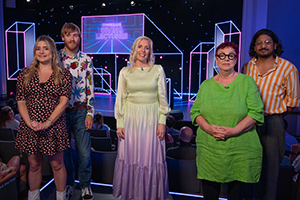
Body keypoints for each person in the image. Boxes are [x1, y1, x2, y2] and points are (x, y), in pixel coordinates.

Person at [190, 42, 264, 200]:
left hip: (240, 149)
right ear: (216, 59)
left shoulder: (247, 82)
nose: (226, 59)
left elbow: (256, 112)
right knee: (210, 195)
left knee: (236, 195)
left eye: (231, 55)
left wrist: (234, 131)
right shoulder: (206, 85)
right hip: (210, 149)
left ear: (236, 59)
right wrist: (209, 129)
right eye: (221, 55)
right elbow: (195, 112)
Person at [242, 29, 300, 200]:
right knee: (250, 165)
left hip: (273, 122)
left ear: (275, 45)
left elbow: (293, 101)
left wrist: (274, 116)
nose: (263, 45)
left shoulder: (288, 68)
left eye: (267, 42)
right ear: (254, 46)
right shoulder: (247, 66)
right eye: (259, 42)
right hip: (250, 122)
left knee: (271, 170)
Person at [113, 36, 171, 200]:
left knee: (150, 159)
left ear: (150, 51)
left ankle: (150, 195)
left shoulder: (157, 69)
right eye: (140, 46)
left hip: (151, 119)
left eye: (146, 47)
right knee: (131, 158)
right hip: (131, 119)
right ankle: (132, 194)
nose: (143, 50)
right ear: (134, 49)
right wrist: (120, 122)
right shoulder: (125, 72)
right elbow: (121, 99)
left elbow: (163, 98)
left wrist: (162, 121)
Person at [15, 35, 71, 200]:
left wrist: (47, 123)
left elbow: (64, 101)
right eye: (38, 48)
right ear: (35, 52)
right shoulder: (25, 74)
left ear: (52, 51)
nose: (42, 51)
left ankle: (61, 197)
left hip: (53, 126)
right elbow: (21, 101)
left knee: (57, 164)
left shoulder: (63, 74)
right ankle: (34, 197)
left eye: (45, 48)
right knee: (34, 165)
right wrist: (29, 123)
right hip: (30, 126)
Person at [59, 23, 95, 200]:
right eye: (68, 35)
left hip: (81, 112)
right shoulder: (55, 58)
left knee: (84, 153)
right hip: (60, 113)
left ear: (79, 37)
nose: (72, 39)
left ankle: (85, 186)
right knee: (64, 152)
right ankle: (68, 184)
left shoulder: (86, 59)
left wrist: (90, 113)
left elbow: (90, 89)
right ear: (63, 37)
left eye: (75, 35)